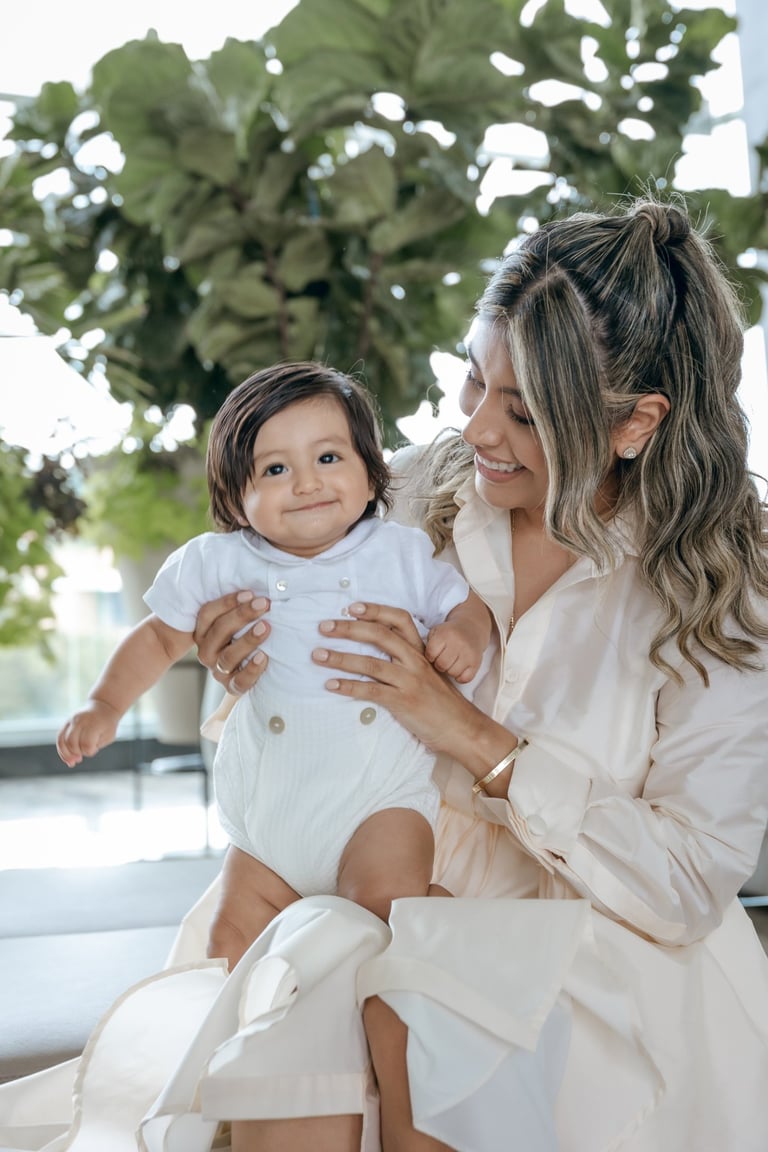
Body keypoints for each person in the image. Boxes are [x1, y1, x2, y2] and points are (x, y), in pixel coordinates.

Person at [1, 196, 767, 1152]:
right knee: (315, 988)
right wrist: (239, 663)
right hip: (347, 901)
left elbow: (689, 884)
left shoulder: (721, 589)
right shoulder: (399, 493)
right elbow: (293, 719)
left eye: (523, 412)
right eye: (474, 379)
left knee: (396, 1015)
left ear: (636, 422)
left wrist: (475, 738)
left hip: (593, 954)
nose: (476, 429)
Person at [56, 363, 492, 970]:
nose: (307, 482)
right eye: (276, 469)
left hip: (377, 801)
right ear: (236, 498)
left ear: (372, 474)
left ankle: (407, 958)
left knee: (381, 922)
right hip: (269, 819)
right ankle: (261, 1027)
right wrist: (105, 704)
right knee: (226, 945)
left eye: (329, 458)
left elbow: (467, 606)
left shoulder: (398, 553)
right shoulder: (218, 563)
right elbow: (157, 636)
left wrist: (461, 635)